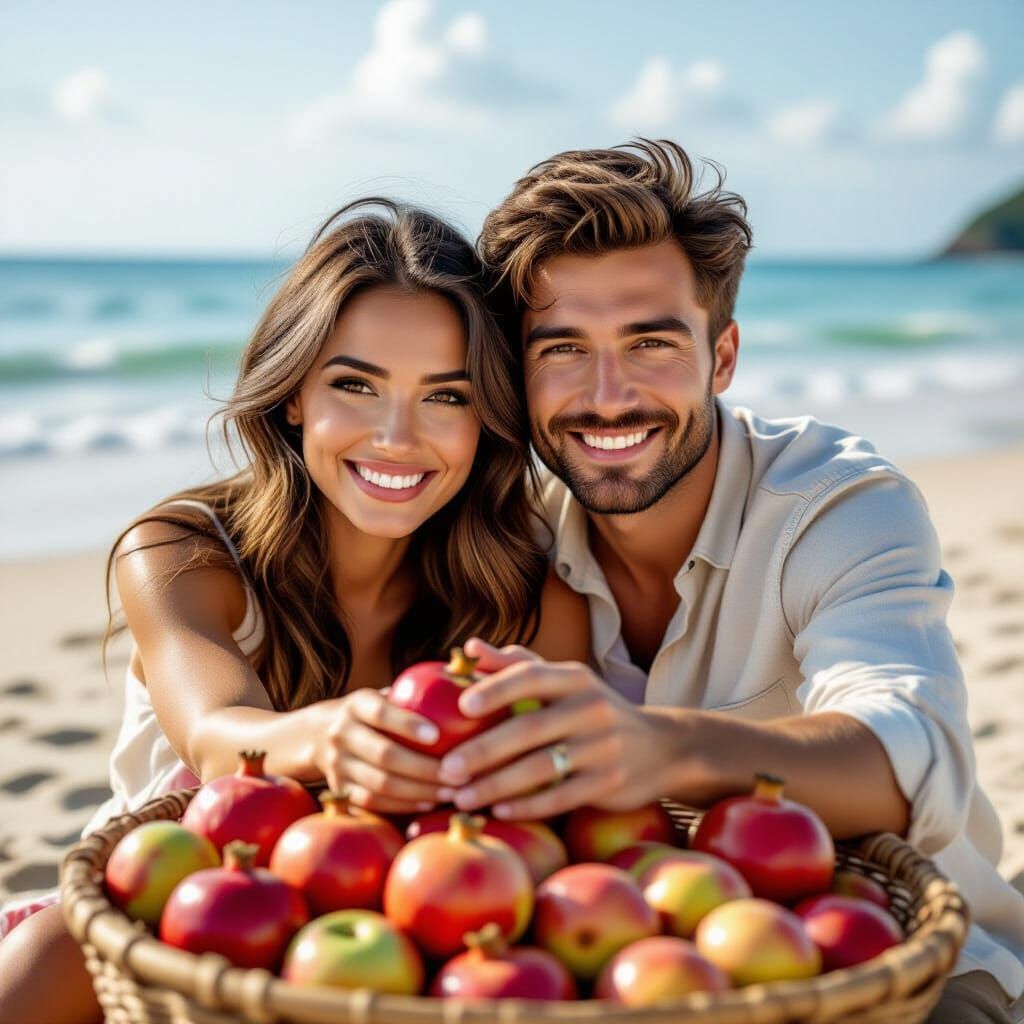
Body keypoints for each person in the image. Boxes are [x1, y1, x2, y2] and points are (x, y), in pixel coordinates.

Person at [423, 140, 1023, 1023]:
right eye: (562, 350)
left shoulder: (840, 504)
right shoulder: (505, 526)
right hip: (618, 978)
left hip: (895, 967)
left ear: (724, 356)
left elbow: (913, 756)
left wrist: (661, 748)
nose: (608, 395)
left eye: (651, 342)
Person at [0, 199, 589, 1023]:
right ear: (292, 396)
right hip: (179, 917)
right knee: (43, 957)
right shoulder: (182, 551)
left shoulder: (524, 591)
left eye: (446, 398)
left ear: (487, 420)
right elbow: (213, 736)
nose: (395, 435)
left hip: (414, 949)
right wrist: (332, 733)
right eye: (355, 385)